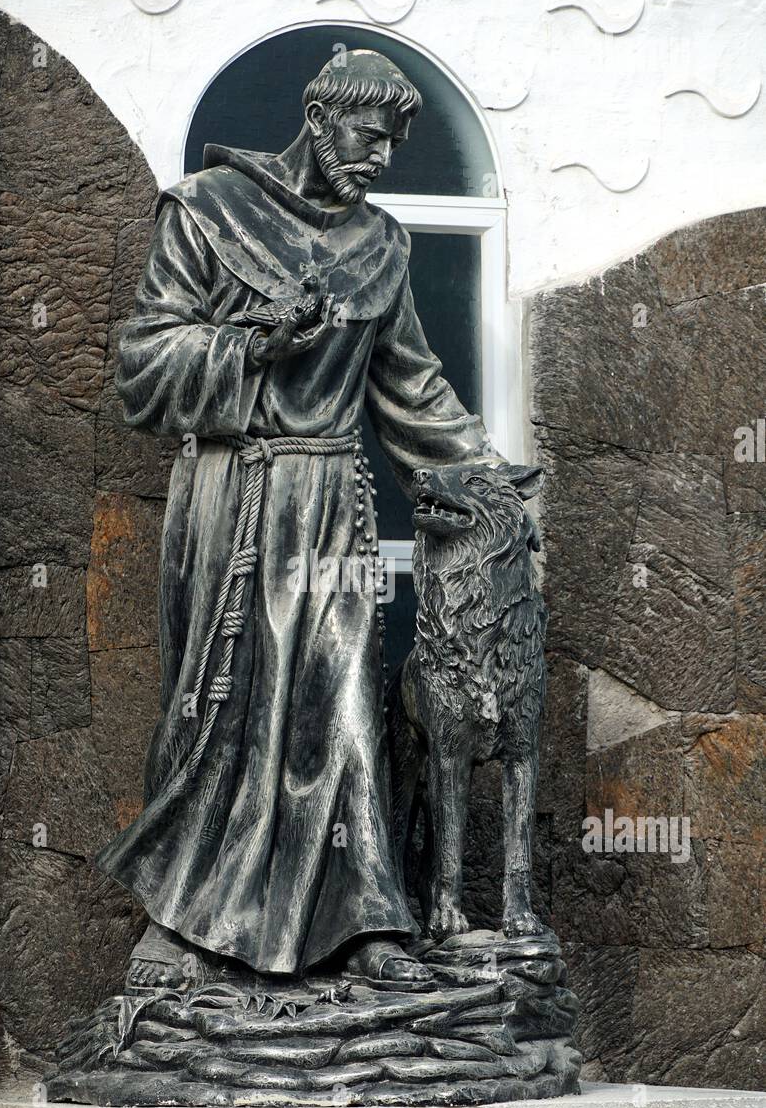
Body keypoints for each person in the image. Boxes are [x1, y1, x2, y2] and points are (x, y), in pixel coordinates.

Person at [97, 50, 503, 989]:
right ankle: (183, 922)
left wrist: (487, 479)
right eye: (369, 137)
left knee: (345, 696)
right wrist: (252, 342)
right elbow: (143, 369)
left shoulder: (382, 245)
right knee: (220, 704)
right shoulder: (207, 210)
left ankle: (364, 921)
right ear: (319, 120)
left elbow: (412, 388)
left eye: (399, 143)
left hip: (331, 504)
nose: (381, 159)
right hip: (231, 497)